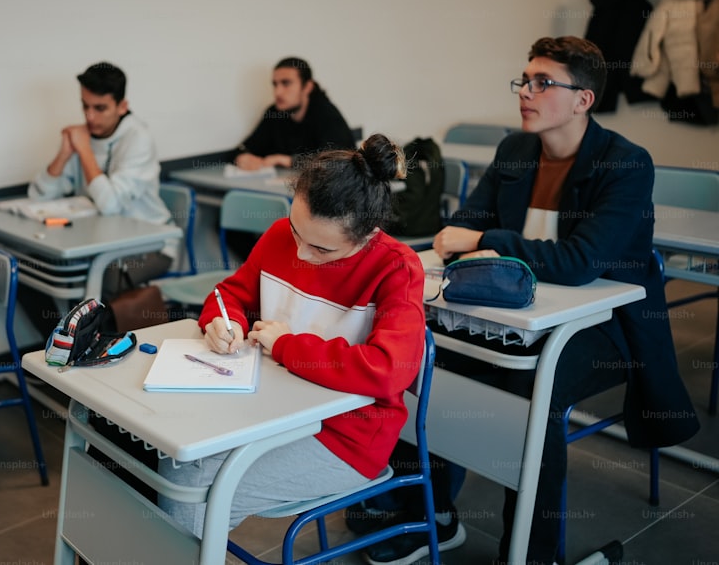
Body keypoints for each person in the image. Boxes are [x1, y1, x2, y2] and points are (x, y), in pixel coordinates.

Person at [361, 36, 700, 565]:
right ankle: (430, 513)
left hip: (602, 324)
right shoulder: (515, 150)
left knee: (527, 392)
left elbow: (580, 262)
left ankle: (530, 553)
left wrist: (483, 242)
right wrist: (467, 239)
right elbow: (466, 223)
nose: (526, 92)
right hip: (515, 311)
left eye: (543, 83)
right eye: (525, 80)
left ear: (583, 99)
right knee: (423, 360)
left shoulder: (626, 163)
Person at [158, 134, 427, 538]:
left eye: (322, 250)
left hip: (347, 436)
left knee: (194, 489)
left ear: (368, 235)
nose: (301, 254)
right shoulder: (281, 236)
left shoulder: (397, 269)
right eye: (297, 232)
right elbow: (229, 293)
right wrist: (222, 320)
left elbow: (391, 369)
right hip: (270, 406)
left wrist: (286, 346)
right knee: (173, 455)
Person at [20, 62, 177, 333]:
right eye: (85, 106)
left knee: (96, 278)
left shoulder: (138, 139)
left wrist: (84, 151)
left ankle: (84, 351)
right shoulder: (85, 136)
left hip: (151, 245)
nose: (90, 117)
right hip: (97, 243)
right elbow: (37, 196)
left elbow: (110, 204)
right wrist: (65, 153)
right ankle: (59, 351)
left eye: (100, 108)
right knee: (28, 271)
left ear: (122, 106)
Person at [233, 56, 355, 170]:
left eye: (286, 83)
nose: (278, 92)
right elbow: (246, 148)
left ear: (307, 87)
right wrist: (242, 157)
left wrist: (290, 161)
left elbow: (339, 159)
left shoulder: (327, 114)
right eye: (275, 84)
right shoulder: (275, 112)